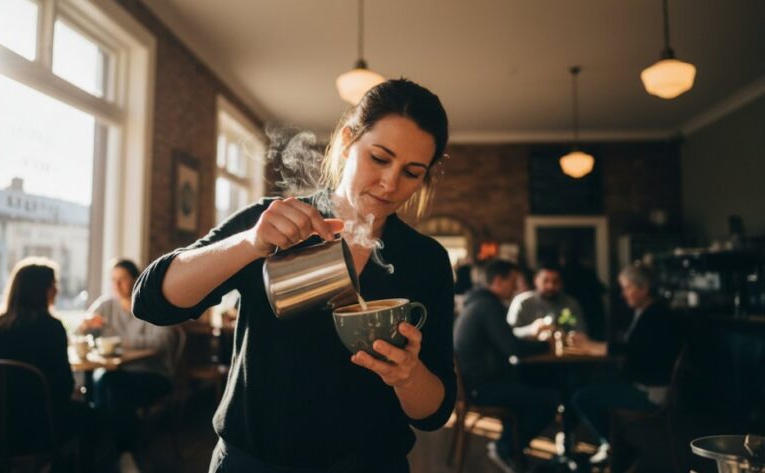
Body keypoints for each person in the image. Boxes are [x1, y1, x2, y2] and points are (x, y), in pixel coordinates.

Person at [133, 78, 456, 473]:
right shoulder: (274, 221)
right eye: (379, 158)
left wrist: (408, 376)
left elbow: (434, 411)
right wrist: (249, 243)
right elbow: (151, 302)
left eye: (412, 172)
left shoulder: (426, 260)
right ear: (347, 141)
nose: (390, 183)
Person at [0, 257, 111, 471]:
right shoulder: (51, 328)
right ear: (44, 290)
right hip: (36, 429)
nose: (56, 290)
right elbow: (63, 387)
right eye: (53, 285)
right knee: (92, 417)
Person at [570, 263, 681, 465]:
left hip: (649, 393)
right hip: (645, 385)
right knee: (591, 385)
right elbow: (635, 348)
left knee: (582, 397)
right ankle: (615, 445)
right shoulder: (650, 312)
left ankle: (620, 448)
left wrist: (593, 346)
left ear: (644, 288)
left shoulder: (656, 315)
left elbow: (633, 349)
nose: (623, 294)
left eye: (627, 288)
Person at [454, 259, 559, 471]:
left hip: (474, 383)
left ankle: (512, 445)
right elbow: (514, 349)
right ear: (498, 281)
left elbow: (507, 345)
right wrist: (546, 346)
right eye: (513, 281)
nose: (516, 287)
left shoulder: (475, 303)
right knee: (550, 400)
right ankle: (506, 447)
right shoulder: (488, 306)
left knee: (536, 383)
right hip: (484, 388)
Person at [78, 258, 178, 452]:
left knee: (109, 385)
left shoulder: (151, 304)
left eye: (122, 279)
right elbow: (81, 335)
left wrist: (122, 341)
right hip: (117, 374)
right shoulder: (106, 305)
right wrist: (86, 326)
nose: (116, 285)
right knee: (107, 383)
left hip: (154, 374)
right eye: (113, 279)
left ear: (136, 279)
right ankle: (116, 451)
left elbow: (162, 342)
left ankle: (116, 451)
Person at [507, 262, 586, 339]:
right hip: (530, 351)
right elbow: (509, 332)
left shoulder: (570, 304)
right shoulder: (522, 302)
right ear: (536, 280)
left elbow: (580, 331)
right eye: (545, 281)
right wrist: (531, 329)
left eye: (555, 282)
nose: (550, 286)